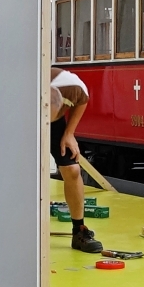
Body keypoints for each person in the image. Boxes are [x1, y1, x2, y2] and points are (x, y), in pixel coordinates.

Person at [50, 67, 103, 254]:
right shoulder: (22, 89)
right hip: (22, 119)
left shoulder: (73, 87)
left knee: (72, 169)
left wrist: (69, 132)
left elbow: (83, 100)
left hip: (55, 124)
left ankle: (78, 231)